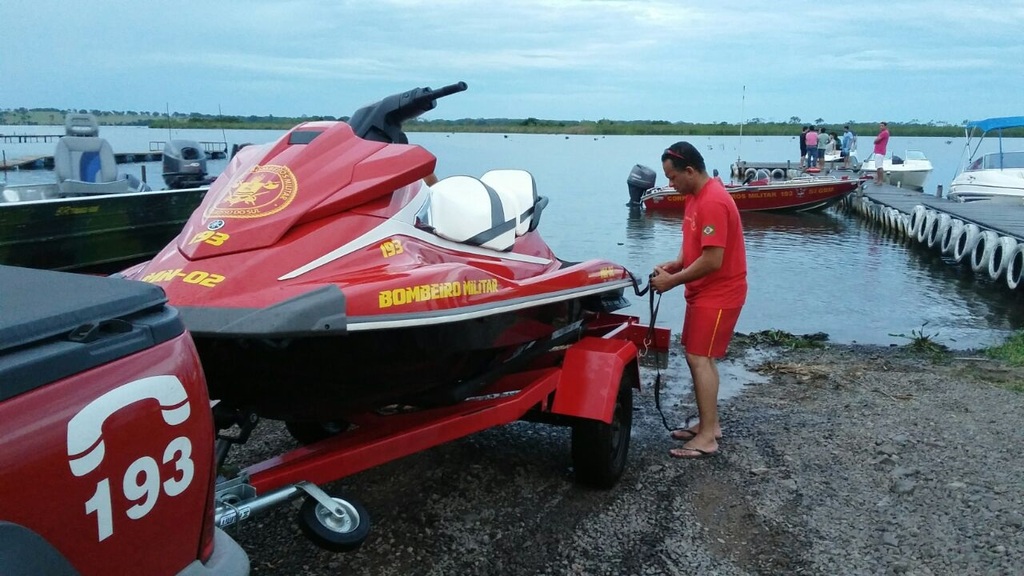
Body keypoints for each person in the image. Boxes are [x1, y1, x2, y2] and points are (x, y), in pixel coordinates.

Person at [651, 141, 748, 459]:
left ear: (690, 171)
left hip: (720, 293)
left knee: (699, 358)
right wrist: (676, 264)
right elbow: (693, 243)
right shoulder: (694, 198)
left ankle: (707, 437)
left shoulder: (713, 201)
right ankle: (711, 424)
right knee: (696, 355)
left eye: (673, 177)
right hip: (701, 292)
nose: (670, 184)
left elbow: (713, 260)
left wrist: (672, 282)